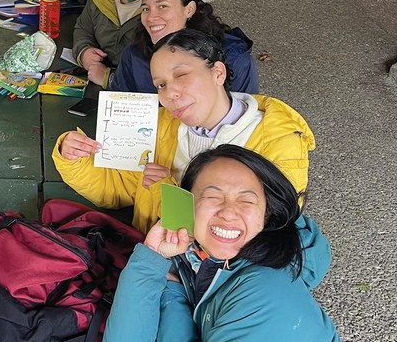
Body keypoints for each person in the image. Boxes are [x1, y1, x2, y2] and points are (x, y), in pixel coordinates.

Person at [53, 29, 315, 233]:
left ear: (218, 73)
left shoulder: (278, 139)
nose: (171, 94)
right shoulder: (159, 125)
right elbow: (118, 187)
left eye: (181, 75)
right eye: (160, 85)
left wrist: (168, 192)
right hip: (151, 257)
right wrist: (74, 159)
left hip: (217, 276)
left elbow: (265, 227)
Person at [104, 145, 340, 341]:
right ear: (187, 205)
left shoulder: (265, 292)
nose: (228, 213)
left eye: (247, 201)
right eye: (212, 196)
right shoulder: (197, 257)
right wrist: (151, 257)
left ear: (267, 215)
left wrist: (171, 297)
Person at [111, 0, 259, 94]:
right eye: (145, 8)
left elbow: (248, 112)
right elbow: (119, 107)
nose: (150, 17)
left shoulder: (234, 57)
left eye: (162, 6)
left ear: (189, 9)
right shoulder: (135, 55)